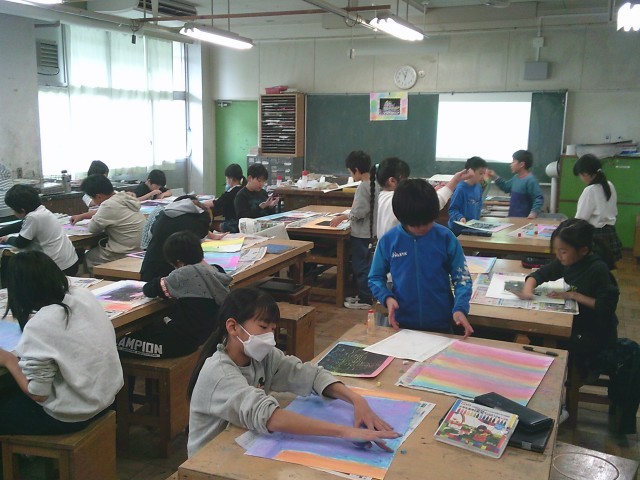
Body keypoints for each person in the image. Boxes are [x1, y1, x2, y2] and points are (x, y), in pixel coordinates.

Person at [186, 288, 399, 457]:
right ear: (233, 327)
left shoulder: (262, 356)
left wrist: (357, 400)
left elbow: (309, 375)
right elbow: (268, 416)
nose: (270, 338)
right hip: (210, 461)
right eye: (263, 327)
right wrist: (344, 431)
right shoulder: (219, 372)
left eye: (273, 329)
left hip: (241, 444)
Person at [0, 251, 123, 435]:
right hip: (107, 398)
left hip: (73, 414)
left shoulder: (41, 324)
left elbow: (38, 394)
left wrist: (9, 360)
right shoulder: (83, 295)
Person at [368, 178, 474, 337]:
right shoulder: (389, 241)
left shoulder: (445, 238)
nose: (421, 228)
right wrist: (387, 298)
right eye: (415, 225)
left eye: (427, 223)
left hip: (442, 323)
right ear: (401, 217)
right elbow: (375, 277)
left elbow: (462, 278)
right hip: (402, 324)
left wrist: (460, 308)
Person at [516, 218, 619, 380]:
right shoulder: (568, 260)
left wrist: (574, 295)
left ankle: (564, 379)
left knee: (547, 339)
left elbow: (606, 306)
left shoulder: (597, 269)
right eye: (557, 250)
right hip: (579, 319)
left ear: (583, 250)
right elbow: (541, 273)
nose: (559, 256)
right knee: (537, 335)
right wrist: (528, 289)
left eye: (563, 251)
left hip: (595, 330)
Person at [118, 231, 232, 359]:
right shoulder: (217, 270)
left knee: (119, 343)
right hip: (209, 336)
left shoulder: (183, 274)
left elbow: (150, 289)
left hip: (182, 342)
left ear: (179, 262)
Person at [372, 158, 471, 241]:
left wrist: (429, 193)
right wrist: (455, 180)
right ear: (392, 181)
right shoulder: (399, 199)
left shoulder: (380, 197)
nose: (407, 182)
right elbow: (433, 203)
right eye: (405, 178)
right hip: (399, 249)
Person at [329, 151, 377, 309]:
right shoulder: (376, 183)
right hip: (371, 232)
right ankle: (366, 295)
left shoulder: (363, 186)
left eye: (350, 172)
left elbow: (359, 212)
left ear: (356, 170)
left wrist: (343, 217)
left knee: (360, 267)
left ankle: (365, 299)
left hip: (362, 234)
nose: (351, 175)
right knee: (368, 265)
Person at [0, 184, 79, 280]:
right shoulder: (41, 211)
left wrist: (7, 239)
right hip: (70, 263)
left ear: (22, 210)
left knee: (16, 267)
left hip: (56, 268)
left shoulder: (32, 217)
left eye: (12, 209)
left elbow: (21, 243)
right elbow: (21, 224)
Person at [140, 195, 214, 281]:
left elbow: (150, 235)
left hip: (150, 266)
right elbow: (195, 249)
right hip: (176, 274)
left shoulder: (163, 214)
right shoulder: (200, 219)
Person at [80, 174, 145, 271]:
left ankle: (98, 278)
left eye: (92, 198)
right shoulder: (123, 197)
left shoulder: (108, 205)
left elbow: (92, 228)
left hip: (124, 252)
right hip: (140, 248)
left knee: (89, 257)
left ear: (98, 196)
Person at [573, 154, 623, 264]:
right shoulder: (609, 185)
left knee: (592, 267)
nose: (581, 178)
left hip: (596, 235)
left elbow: (581, 219)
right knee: (605, 267)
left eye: (580, 175)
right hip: (610, 233)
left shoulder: (590, 190)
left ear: (585, 173)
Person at [487, 150, 543, 218]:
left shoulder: (531, 180)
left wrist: (534, 213)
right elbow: (506, 187)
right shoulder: (516, 177)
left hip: (524, 219)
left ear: (521, 164)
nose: (511, 164)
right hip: (513, 217)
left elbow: (538, 198)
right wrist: (495, 176)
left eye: (513, 162)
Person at [448, 156, 488, 236]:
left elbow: (478, 206)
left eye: (484, 173)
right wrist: (460, 217)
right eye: (480, 173)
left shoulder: (478, 187)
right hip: (458, 231)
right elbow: (452, 209)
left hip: (472, 228)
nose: (483, 176)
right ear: (470, 172)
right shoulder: (461, 189)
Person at [209, 163, 246, 233]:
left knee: (211, 225)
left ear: (231, 179)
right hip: (241, 223)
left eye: (226, 178)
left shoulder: (230, 193)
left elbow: (216, 203)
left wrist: (200, 202)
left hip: (232, 224)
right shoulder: (243, 189)